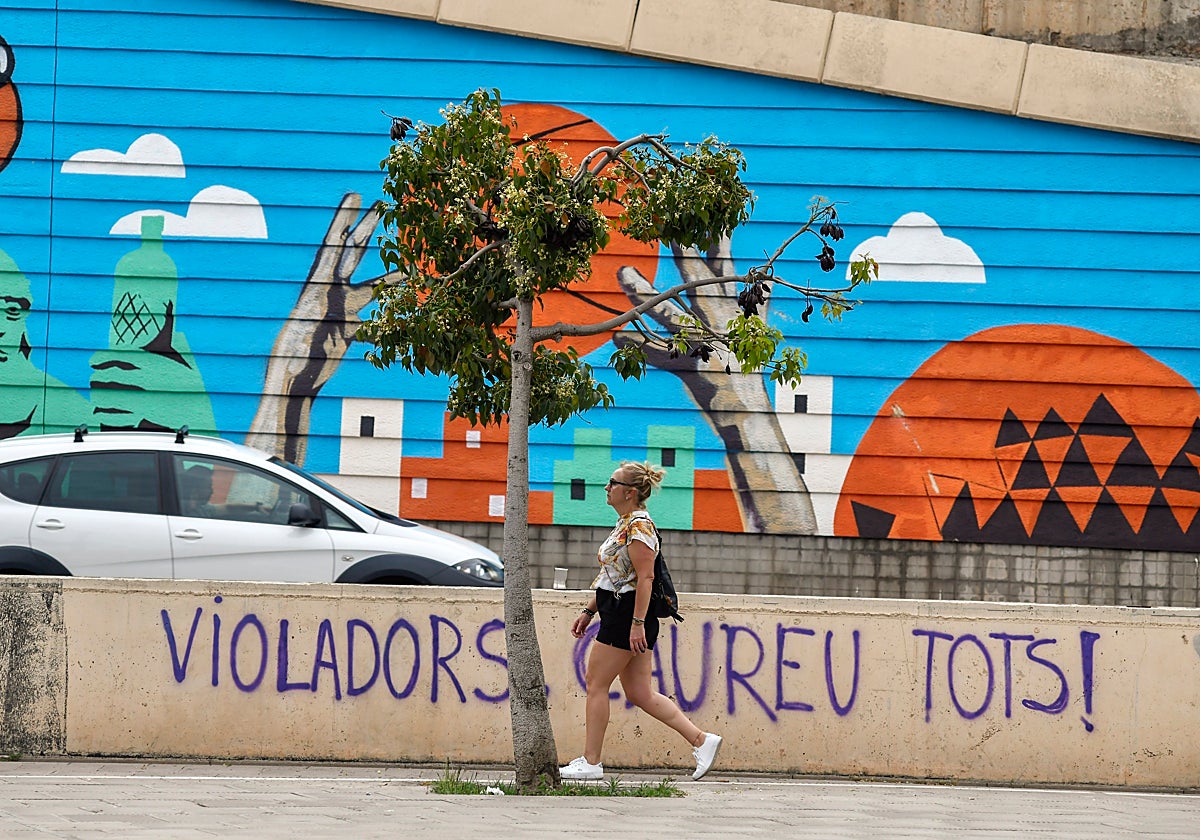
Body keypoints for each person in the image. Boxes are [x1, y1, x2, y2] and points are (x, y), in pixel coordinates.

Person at [559, 461, 723, 782]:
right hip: (622, 614)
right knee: (639, 693)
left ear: (630, 492)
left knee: (596, 684)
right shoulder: (625, 523)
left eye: (612, 483)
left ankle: (591, 762)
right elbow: (616, 577)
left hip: (627, 618)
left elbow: (645, 578)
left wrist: (636, 624)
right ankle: (702, 741)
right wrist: (589, 610)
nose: (606, 487)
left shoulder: (640, 527)